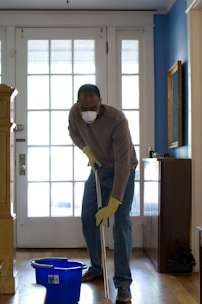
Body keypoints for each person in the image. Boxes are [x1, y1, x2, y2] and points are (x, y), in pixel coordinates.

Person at [68, 84, 138, 303]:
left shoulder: (117, 120)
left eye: (93, 107)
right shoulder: (75, 113)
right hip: (98, 170)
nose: (88, 112)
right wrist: (87, 151)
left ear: (100, 103)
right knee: (88, 217)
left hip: (123, 171)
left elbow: (123, 163)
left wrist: (114, 202)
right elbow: (73, 132)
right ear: (78, 103)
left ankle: (123, 283)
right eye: (84, 107)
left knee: (121, 223)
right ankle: (97, 267)